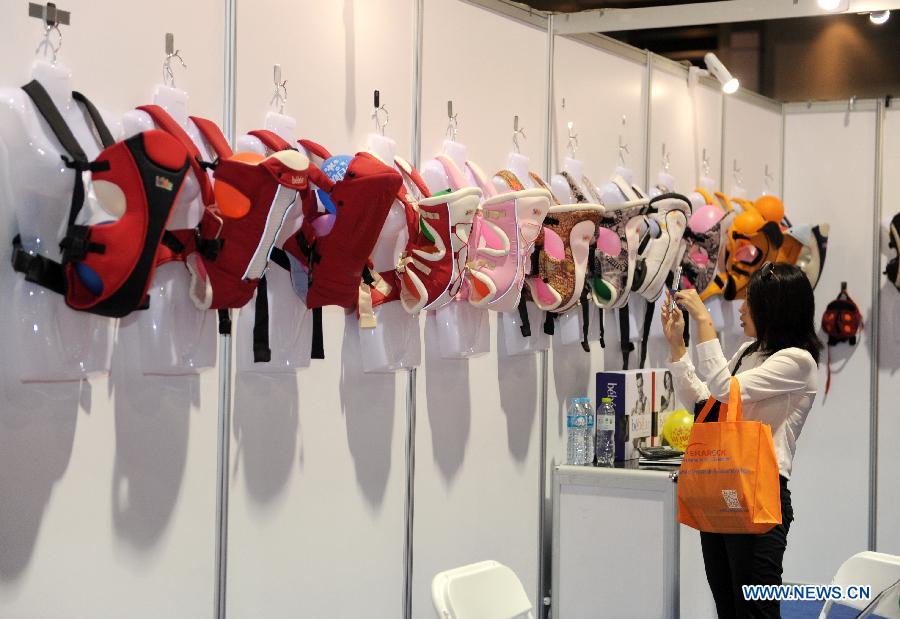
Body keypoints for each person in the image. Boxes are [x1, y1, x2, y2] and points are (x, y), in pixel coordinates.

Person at [661, 262, 820, 619]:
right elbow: (704, 404)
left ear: (774, 309)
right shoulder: (750, 352)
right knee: (729, 610)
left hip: (761, 495)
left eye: (752, 301)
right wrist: (677, 347)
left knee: (756, 612)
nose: (742, 308)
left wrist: (704, 323)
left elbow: (724, 390)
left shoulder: (797, 361)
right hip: (723, 491)